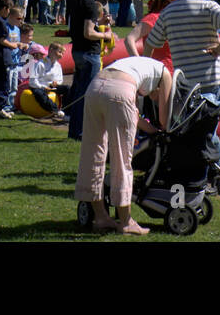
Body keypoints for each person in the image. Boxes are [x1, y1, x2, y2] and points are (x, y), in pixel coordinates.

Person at [74, 55, 174, 236]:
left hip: (95, 86)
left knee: (93, 153)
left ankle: (100, 216)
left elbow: (133, 114)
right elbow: (164, 120)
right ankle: (126, 221)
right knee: (122, 158)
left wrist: (150, 129)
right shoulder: (165, 73)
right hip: (121, 91)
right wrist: (162, 129)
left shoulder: (136, 65)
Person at [124, 0, 220, 99]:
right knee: (210, 117)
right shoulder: (209, 7)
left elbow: (149, 44)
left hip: (184, 81)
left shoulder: (168, 12)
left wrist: (149, 73)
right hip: (210, 76)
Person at [66, 0, 110, 140]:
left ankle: (74, 131)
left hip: (77, 51)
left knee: (78, 92)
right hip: (89, 53)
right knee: (86, 95)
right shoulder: (91, 4)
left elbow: (83, 24)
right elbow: (88, 32)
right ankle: (81, 132)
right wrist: (105, 35)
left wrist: (99, 21)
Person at [0, 4, 29, 118]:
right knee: (7, 85)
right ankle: (3, 107)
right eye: (18, 18)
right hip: (7, 60)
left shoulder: (17, 29)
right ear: (10, 16)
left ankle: (10, 106)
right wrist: (15, 45)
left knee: (14, 86)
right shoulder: (5, 26)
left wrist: (21, 46)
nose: (20, 21)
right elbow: (5, 43)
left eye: (22, 18)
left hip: (15, 61)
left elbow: (17, 43)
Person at [24, 42, 68, 119]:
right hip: (40, 86)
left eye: (62, 53)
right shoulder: (40, 64)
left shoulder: (58, 65)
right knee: (39, 93)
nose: (61, 55)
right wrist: (43, 87)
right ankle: (56, 111)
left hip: (52, 86)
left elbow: (60, 79)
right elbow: (33, 81)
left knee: (67, 88)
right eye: (59, 52)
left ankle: (67, 110)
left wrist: (56, 83)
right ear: (51, 50)